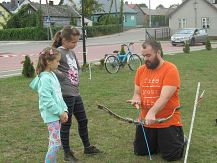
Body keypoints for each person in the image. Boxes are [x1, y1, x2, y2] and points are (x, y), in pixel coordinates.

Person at [128, 40, 185, 161]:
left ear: (158, 52)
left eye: (148, 55)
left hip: (167, 120)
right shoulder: (141, 70)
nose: (145, 59)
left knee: (171, 156)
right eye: (143, 56)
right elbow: (137, 93)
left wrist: (152, 112)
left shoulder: (171, 69)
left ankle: (181, 138)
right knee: (140, 151)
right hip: (146, 120)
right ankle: (159, 141)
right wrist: (136, 99)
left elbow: (165, 97)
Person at [52, 26, 101, 162]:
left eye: (77, 42)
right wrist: (63, 77)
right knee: (66, 123)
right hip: (66, 94)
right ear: (64, 40)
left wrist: (76, 75)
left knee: (83, 120)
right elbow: (48, 67)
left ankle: (87, 147)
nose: (75, 44)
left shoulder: (70, 52)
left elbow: (77, 67)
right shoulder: (57, 52)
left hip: (75, 92)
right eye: (73, 42)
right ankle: (67, 154)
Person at [29, 47, 68, 163]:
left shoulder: (52, 75)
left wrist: (64, 110)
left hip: (57, 114)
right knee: (55, 144)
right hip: (52, 116)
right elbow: (47, 100)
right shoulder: (45, 78)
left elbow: (58, 96)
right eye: (57, 61)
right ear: (49, 62)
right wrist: (59, 112)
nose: (59, 63)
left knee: (54, 143)